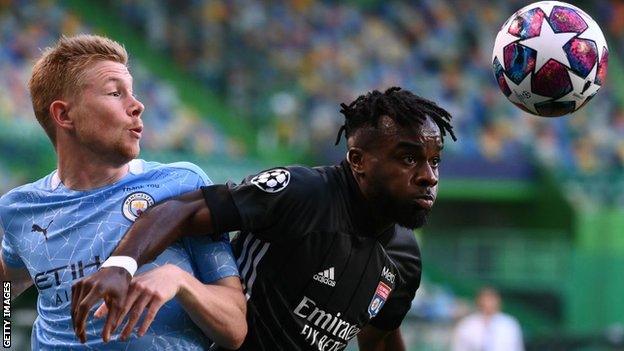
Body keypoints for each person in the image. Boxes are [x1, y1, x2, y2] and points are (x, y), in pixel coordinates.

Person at [71, 86, 457, 350]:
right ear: (357, 160)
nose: (429, 176)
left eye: (434, 161)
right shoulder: (301, 192)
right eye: (408, 158)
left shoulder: (405, 259)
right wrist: (121, 265)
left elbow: (382, 338)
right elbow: (183, 210)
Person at [0, 34, 246, 349]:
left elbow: (234, 326)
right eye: (116, 93)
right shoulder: (20, 209)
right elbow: (8, 285)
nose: (138, 105)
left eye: (133, 92)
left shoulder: (181, 184)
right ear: (64, 115)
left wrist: (179, 280)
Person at [452, 287, 524, 351]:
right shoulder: (467, 324)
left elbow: (517, 347)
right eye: (485, 300)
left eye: (491, 300)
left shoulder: (509, 324)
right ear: (479, 301)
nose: (488, 303)